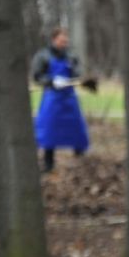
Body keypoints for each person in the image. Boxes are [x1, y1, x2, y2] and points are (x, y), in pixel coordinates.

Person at [30, 28, 90, 171]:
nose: (64, 44)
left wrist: (78, 77)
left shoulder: (71, 56)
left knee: (77, 129)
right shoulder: (43, 56)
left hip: (69, 98)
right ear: (54, 39)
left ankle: (80, 161)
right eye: (61, 41)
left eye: (66, 41)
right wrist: (51, 81)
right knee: (49, 131)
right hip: (52, 97)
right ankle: (48, 164)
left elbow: (78, 72)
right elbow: (37, 76)